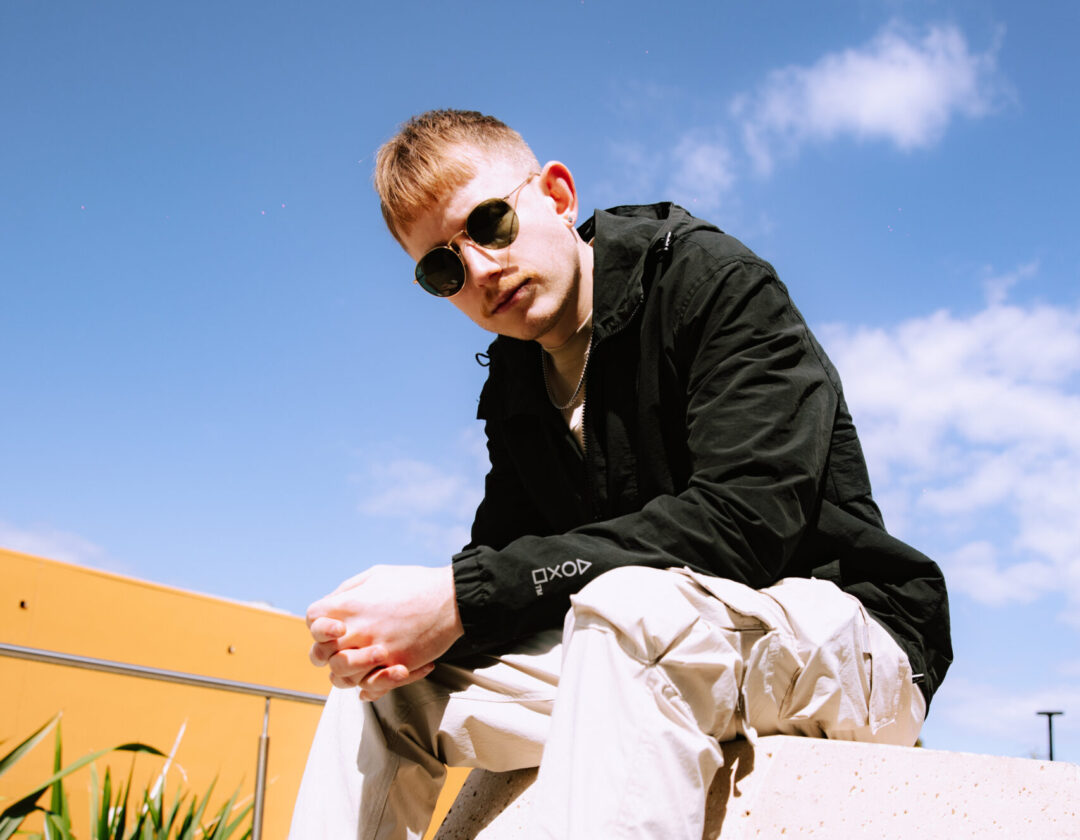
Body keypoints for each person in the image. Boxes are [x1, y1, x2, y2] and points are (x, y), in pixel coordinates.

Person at [289, 110, 952, 840]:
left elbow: (744, 527)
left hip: (849, 643)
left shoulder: (710, 283)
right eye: (442, 267)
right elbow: (517, 575)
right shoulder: (516, 382)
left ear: (558, 195)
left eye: (488, 223)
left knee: (627, 608)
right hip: (650, 652)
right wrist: (400, 627)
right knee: (384, 687)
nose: (479, 271)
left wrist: (463, 592)